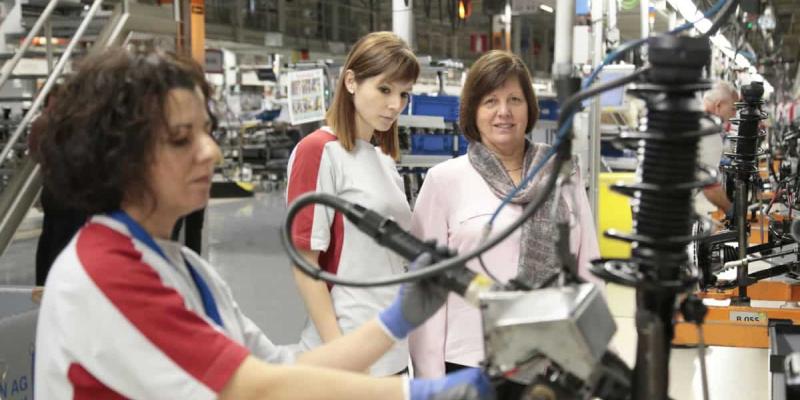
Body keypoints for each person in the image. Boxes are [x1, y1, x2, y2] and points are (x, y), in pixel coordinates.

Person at [34, 47, 492, 399]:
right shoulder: (105, 272)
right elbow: (258, 389)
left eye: (206, 132)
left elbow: (282, 369)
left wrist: (395, 322)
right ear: (117, 157)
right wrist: (428, 393)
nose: (211, 152)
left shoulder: (186, 267)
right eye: (180, 139)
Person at [408, 50, 602, 379]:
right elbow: (427, 287)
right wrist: (431, 381)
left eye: (514, 99)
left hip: (553, 358)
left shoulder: (562, 173)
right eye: (490, 101)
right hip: (470, 363)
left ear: (530, 107)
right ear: (473, 111)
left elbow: (588, 267)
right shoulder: (444, 181)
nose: (504, 112)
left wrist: (594, 357)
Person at [286, 31, 417, 376]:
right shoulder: (319, 151)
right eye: (385, 89)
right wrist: (342, 354)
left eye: (404, 94)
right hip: (345, 356)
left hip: (391, 351)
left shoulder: (384, 161)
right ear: (351, 82)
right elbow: (305, 264)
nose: (395, 104)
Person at [28, 83, 88, 286]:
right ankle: (57, 282)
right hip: (69, 190)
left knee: (50, 236)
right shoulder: (66, 125)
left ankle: (44, 282)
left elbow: (34, 155)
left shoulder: (40, 123)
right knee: (65, 238)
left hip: (51, 188)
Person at [697, 80, 738, 217]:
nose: (734, 115)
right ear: (719, 105)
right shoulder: (708, 131)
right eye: (733, 108)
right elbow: (710, 188)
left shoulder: (691, 117)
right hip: (668, 208)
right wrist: (731, 210)